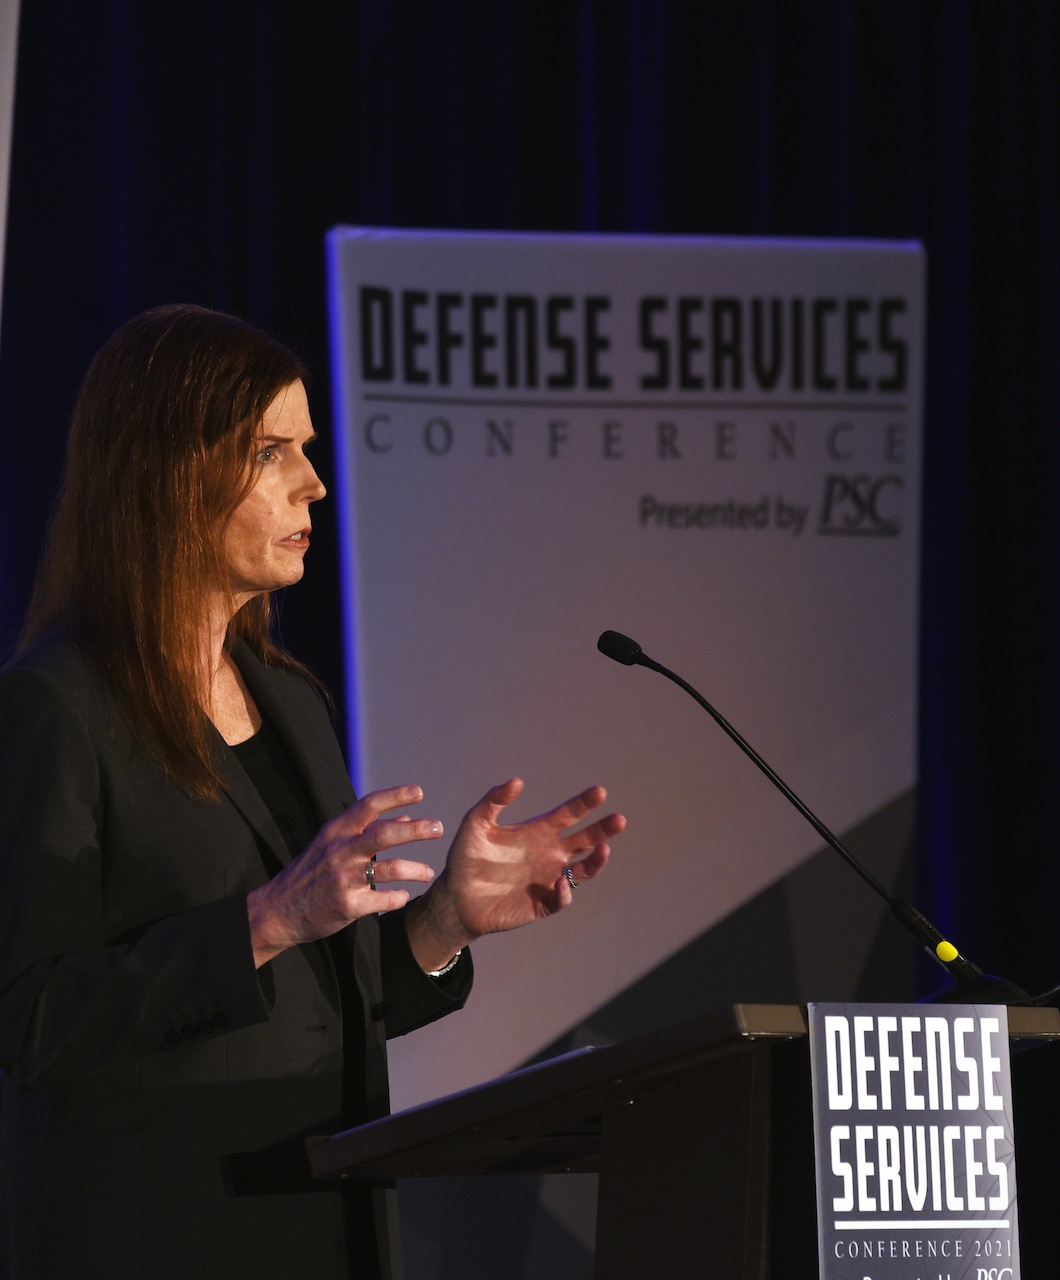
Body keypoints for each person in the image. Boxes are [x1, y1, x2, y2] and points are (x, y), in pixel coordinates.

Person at [0, 304, 625, 1280]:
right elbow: (27, 1022)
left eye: (309, 449)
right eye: (273, 451)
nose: (315, 483)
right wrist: (262, 919)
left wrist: (442, 922)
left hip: (327, 1229)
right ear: (173, 471)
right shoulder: (55, 709)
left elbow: (321, 1006)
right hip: (160, 1240)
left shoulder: (292, 699)